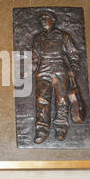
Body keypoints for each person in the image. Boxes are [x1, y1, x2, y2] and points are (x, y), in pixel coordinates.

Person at [32, 10, 80, 143]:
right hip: (43, 71)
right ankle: (41, 129)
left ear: (53, 20)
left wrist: (74, 67)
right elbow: (34, 58)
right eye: (40, 18)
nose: (42, 20)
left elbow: (73, 53)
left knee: (62, 100)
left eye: (45, 18)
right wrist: (27, 72)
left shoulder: (64, 36)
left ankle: (61, 128)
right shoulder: (37, 38)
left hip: (60, 70)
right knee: (42, 101)